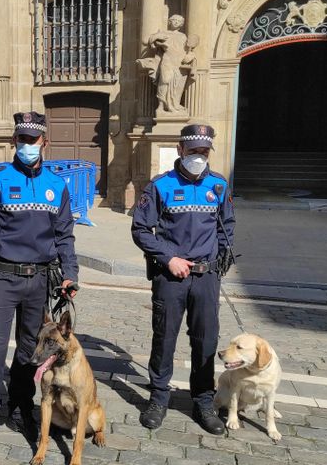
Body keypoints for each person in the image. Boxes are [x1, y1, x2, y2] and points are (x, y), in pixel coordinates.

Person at [0, 111, 78, 460]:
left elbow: (65, 235)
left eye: (34, 139)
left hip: (40, 282)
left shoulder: (57, 185)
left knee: (32, 352)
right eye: (23, 139)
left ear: (45, 141)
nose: (28, 145)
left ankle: (18, 405)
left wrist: (70, 272)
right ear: (14, 141)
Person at [131, 123, 235, 435]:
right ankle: (158, 398)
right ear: (180, 150)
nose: (199, 157)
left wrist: (218, 261)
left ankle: (203, 400)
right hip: (171, 277)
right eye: (193, 151)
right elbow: (140, 229)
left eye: (204, 152)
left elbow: (226, 226)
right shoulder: (160, 186)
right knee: (164, 338)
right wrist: (168, 258)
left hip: (205, 277)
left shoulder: (218, 186)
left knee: (205, 340)